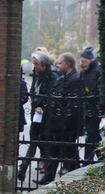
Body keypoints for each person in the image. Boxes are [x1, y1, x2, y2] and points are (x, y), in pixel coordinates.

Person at [37, 52, 84, 184]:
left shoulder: (75, 79)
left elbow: (74, 105)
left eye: (60, 63)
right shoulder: (62, 77)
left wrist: (65, 123)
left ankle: (76, 178)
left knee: (69, 152)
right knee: (55, 150)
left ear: (67, 64)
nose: (57, 65)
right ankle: (49, 177)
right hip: (57, 123)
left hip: (66, 125)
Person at [17, 51, 57, 182]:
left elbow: (52, 95)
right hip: (37, 114)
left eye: (36, 64)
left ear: (43, 64)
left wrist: (42, 107)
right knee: (33, 142)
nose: (34, 67)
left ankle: (48, 175)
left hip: (47, 115)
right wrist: (35, 105)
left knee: (46, 145)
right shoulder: (37, 74)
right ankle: (23, 169)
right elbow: (33, 92)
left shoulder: (52, 76)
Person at [79, 46, 102, 164]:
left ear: (91, 60)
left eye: (84, 61)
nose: (82, 64)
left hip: (95, 108)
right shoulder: (83, 73)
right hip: (86, 107)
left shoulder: (97, 72)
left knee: (92, 136)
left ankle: (87, 160)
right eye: (81, 61)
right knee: (94, 136)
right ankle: (102, 157)